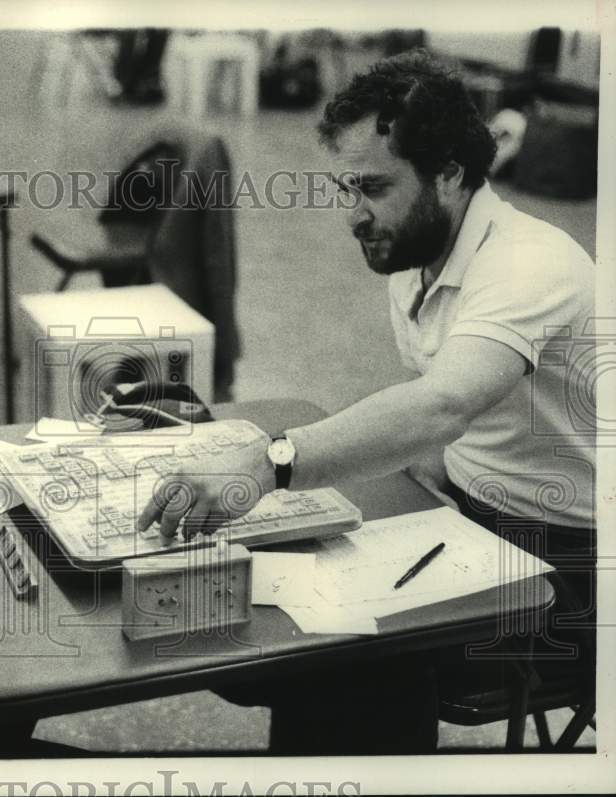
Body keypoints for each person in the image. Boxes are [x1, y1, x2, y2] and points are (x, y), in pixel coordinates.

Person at [138, 49, 596, 752]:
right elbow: (445, 424)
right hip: (476, 523)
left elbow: (444, 404)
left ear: (449, 174)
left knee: (350, 656)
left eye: (374, 187)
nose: (353, 214)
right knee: (272, 604)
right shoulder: (416, 254)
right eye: (346, 186)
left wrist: (269, 463)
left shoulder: (529, 262)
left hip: (573, 573)